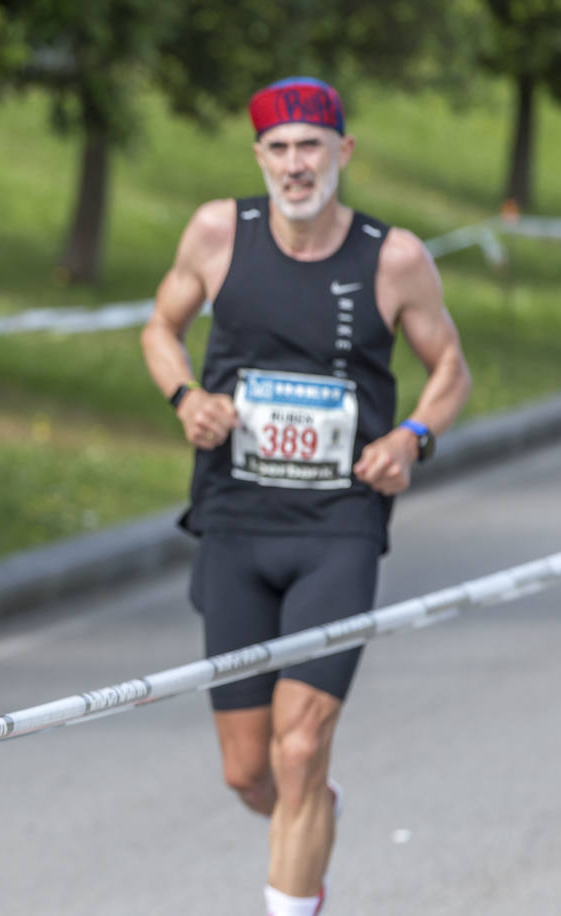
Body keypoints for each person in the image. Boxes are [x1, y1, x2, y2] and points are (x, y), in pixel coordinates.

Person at [139, 77, 470, 916]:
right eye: (279, 148)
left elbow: (450, 371)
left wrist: (411, 439)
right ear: (260, 157)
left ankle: (295, 891)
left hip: (339, 527)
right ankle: (314, 812)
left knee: (299, 746)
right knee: (250, 770)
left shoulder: (394, 257)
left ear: (343, 153)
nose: (296, 165)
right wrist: (187, 398)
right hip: (235, 521)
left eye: (311, 146)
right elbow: (159, 327)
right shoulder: (218, 232)